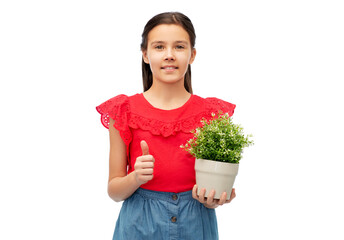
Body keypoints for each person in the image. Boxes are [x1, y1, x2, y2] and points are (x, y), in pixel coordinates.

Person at [96, 12, 236, 240]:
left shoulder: (212, 114)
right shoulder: (124, 111)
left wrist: (217, 196)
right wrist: (135, 177)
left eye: (179, 47)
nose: (169, 55)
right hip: (139, 225)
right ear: (145, 54)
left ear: (192, 55)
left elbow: (215, 185)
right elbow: (114, 190)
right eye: (159, 47)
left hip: (196, 224)